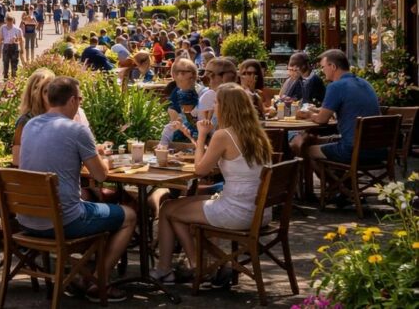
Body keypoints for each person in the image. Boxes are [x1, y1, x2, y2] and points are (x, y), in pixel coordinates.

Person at [19, 76, 135, 302]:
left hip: (27, 219)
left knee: (94, 207)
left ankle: (83, 272)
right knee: (129, 215)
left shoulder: (30, 125)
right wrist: (100, 157)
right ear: (72, 100)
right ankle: (96, 280)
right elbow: (100, 175)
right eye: (80, 99)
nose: (80, 103)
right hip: (63, 221)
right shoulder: (76, 130)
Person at [150, 84, 273, 286]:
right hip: (261, 210)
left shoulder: (223, 135)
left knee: (168, 210)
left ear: (226, 107)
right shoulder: (258, 133)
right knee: (175, 206)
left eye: (216, 102)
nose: (214, 106)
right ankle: (203, 264)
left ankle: (187, 267)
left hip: (238, 211)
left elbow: (200, 170)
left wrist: (201, 135)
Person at [295, 49, 384, 204]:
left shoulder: (336, 87)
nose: (322, 71)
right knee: (311, 139)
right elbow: (340, 110)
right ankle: (346, 187)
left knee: (306, 148)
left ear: (333, 66)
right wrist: (317, 111)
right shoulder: (365, 83)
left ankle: (340, 188)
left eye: (323, 67)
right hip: (379, 149)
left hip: (353, 150)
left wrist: (309, 114)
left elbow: (322, 120)